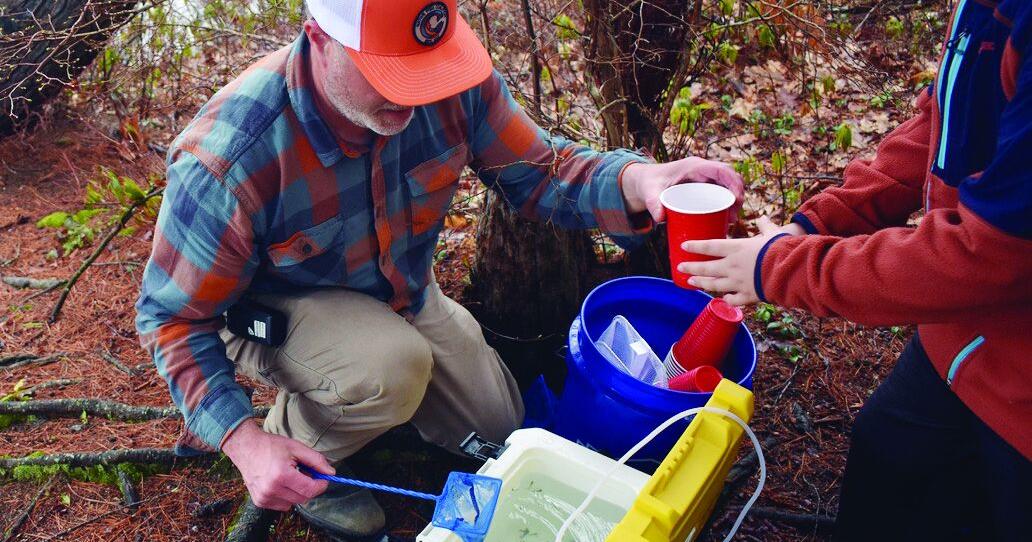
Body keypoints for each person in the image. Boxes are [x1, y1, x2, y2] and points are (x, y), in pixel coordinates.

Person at [134, 0, 743, 539]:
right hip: (272, 315)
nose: (413, 95)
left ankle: (374, 400)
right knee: (389, 369)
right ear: (319, 38)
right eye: (389, 73)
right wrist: (243, 440)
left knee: (503, 433)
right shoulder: (230, 159)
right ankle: (307, 455)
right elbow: (171, 320)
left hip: (403, 294)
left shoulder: (449, 84)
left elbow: (542, 171)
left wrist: (641, 181)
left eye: (426, 69)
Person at [677, 1, 1031, 540]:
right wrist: (814, 223)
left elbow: (989, 256)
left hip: (1023, 402)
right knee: (886, 465)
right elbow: (944, 121)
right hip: (959, 346)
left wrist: (784, 267)